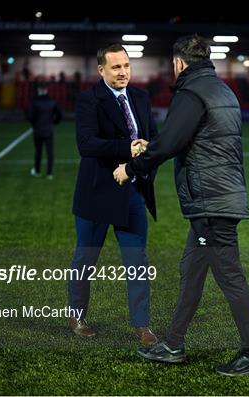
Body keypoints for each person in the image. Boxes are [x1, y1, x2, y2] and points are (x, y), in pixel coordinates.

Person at [113, 35, 249, 376]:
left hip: (211, 202)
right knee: (191, 272)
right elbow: (193, 138)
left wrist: (131, 167)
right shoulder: (223, 91)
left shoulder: (192, 92)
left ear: (180, 63)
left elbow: (171, 142)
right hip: (218, 198)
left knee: (230, 277)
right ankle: (173, 344)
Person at [68, 43, 158, 347]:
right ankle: (77, 316)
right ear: (101, 70)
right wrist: (127, 148)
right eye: (116, 67)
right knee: (86, 259)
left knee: (138, 260)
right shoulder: (88, 100)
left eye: (127, 66)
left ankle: (142, 325)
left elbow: (153, 139)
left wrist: (147, 152)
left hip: (132, 193)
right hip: (96, 194)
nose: (123, 72)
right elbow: (87, 145)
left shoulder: (141, 98)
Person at [27, 84, 62, 179]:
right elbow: (59, 115)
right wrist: (53, 123)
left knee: (38, 151)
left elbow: (30, 116)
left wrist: (35, 124)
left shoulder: (34, 102)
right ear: (46, 90)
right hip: (49, 129)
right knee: (50, 152)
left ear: (38, 90)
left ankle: (37, 171)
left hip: (38, 130)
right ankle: (49, 173)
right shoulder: (52, 101)